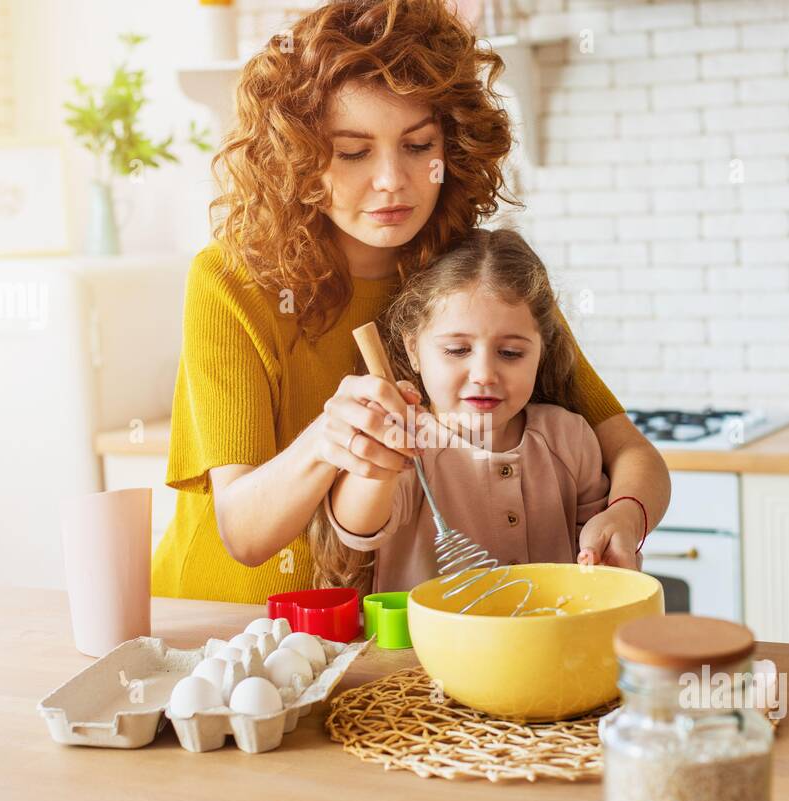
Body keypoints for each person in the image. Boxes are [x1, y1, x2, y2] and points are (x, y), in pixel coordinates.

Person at [151, 0, 670, 604]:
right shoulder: (232, 281)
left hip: (379, 631)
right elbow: (244, 533)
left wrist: (627, 513)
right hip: (227, 621)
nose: (393, 179)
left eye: (418, 145)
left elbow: (629, 449)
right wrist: (327, 440)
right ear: (298, 159)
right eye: (353, 151)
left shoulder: (463, 275)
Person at [317, 227, 621, 597]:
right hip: (428, 652)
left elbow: (595, 531)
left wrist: (597, 550)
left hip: (548, 647)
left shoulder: (568, 437)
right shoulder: (408, 439)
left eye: (510, 354)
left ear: (541, 351)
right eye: (457, 351)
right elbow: (357, 527)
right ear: (414, 350)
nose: (484, 375)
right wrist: (383, 458)